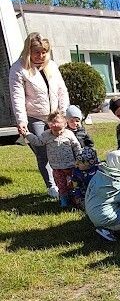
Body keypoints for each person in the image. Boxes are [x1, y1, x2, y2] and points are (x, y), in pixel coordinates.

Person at [9, 32, 69, 198]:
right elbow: (17, 97)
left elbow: (62, 90)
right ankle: (52, 186)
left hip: (55, 116)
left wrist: (63, 114)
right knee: (42, 152)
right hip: (34, 116)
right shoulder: (18, 69)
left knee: (61, 148)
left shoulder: (52, 66)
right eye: (37, 52)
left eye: (44, 52)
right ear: (28, 50)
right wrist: (22, 121)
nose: (41, 56)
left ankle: (65, 182)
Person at [26, 111, 81, 208]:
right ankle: (63, 201)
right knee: (61, 185)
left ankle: (74, 199)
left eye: (60, 130)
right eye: (55, 130)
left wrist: (79, 158)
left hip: (70, 165)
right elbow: (38, 142)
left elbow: (76, 146)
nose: (58, 132)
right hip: (57, 167)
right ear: (50, 126)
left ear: (65, 125)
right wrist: (27, 134)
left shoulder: (69, 134)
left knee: (73, 183)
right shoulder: (46, 135)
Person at [85, 149, 120, 241]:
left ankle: (102, 222)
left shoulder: (99, 174)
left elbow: (88, 191)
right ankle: (107, 228)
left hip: (91, 210)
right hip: (105, 216)